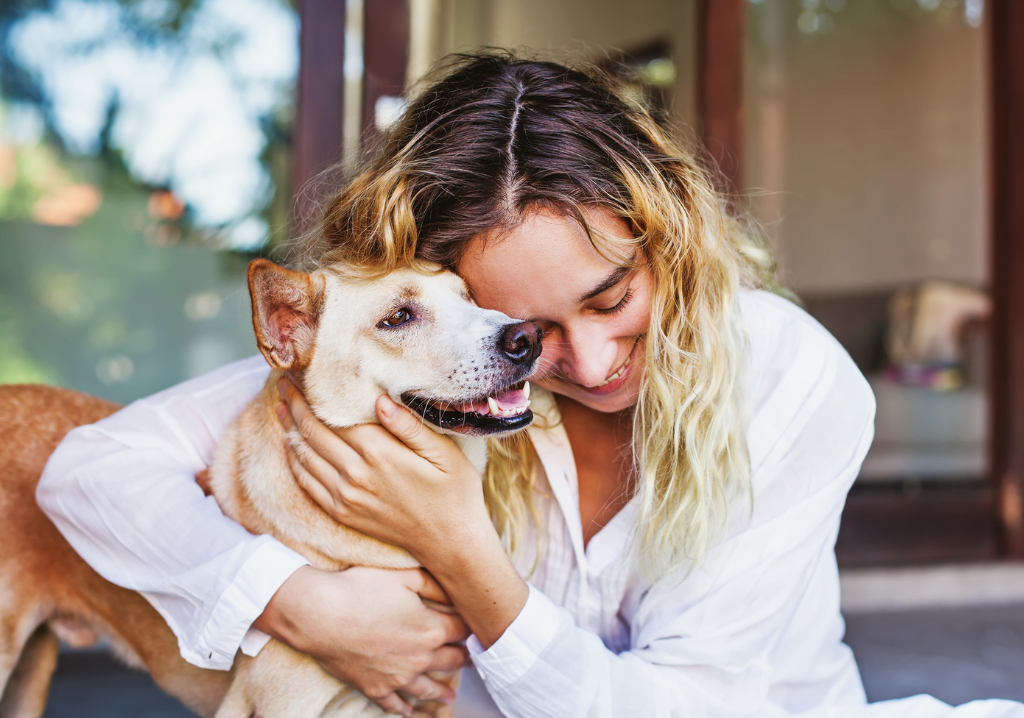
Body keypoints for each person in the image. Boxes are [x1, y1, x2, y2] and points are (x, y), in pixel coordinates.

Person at [37, 53, 1023, 718]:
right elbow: (89, 470)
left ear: (665, 233)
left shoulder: (788, 373)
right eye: (525, 332)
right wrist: (292, 602)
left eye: (612, 296)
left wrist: (458, 543)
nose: (590, 366)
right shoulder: (425, 359)